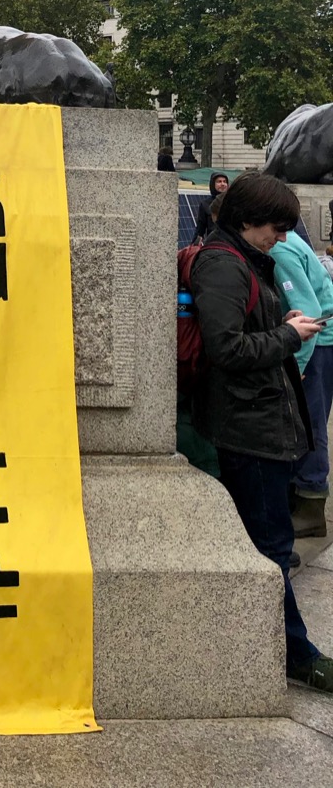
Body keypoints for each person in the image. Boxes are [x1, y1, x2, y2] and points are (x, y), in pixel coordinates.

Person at [188, 171, 332, 692]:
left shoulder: (242, 257)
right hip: (249, 427)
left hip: (258, 420)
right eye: (277, 226)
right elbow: (227, 349)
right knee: (270, 544)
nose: (283, 236)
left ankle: (273, 644)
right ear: (249, 220)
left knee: (269, 540)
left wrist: (282, 325)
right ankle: (296, 654)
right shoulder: (224, 265)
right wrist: (288, 335)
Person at [272, 230, 333, 540]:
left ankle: (311, 506)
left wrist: (296, 366)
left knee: (309, 424)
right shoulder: (288, 240)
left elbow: (308, 311)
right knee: (311, 420)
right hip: (320, 342)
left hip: (316, 342)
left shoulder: (279, 250)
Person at [192, 171, 230, 243]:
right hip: (213, 243)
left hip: (231, 243)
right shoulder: (205, 204)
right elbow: (200, 229)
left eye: (225, 181)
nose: (222, 184)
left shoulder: (233, 202)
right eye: (219, 181)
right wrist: (193, 245)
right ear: (213, 184)